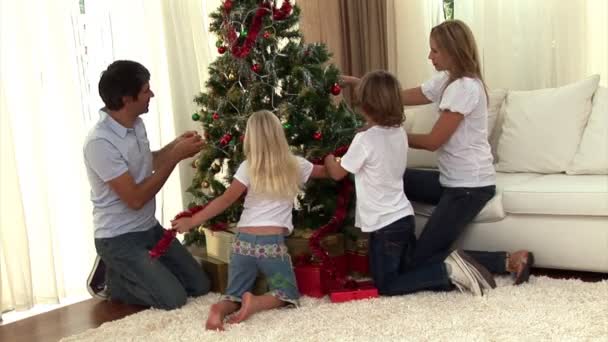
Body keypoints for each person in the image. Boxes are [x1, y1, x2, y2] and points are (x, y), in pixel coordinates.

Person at [342, 20, 533, 286]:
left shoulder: (464, 88)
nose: (429, 56)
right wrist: (363, 84)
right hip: (450, 180)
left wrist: (382, 136)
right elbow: (406, 95)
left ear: (452, 51)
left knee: (420, 259)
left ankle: (507, 260)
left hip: (469, 187)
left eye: (435, 51)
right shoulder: (446, 80)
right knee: (389, 175)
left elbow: (434, 141)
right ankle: (386, 246)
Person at [325, 70, 495, 297]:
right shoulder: (399, 134)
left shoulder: (364, 139)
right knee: (407, 269)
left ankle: (449, 271)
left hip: (384, 227)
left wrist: (328, 156)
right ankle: (454, 269)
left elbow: (337, 173)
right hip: (403, 218)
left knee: (386, 284)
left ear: (363, 106)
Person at [172, 110, 327, 331]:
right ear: (279, 134)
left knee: (233, 295)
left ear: (251, 138)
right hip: (270, 245)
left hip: (242, 242)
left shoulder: (248, 166)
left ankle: (219, 310)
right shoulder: (296, 164)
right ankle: (257, 302)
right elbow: (329, 172)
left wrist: (192, 220)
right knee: (287, 294)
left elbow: (225, 200)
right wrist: (336, 160)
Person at [84, 60, 210, 310]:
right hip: (118, 239)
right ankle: (114, 281)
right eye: (145, 90)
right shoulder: (99, 143)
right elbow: (135, 199)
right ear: (126, 99)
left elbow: (147, 162)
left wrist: (174, 146)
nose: (151, 94)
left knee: (200, 286)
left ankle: (140, 272)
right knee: (173, 299)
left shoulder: (135, 123)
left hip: (149, 229)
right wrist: (176, 157)